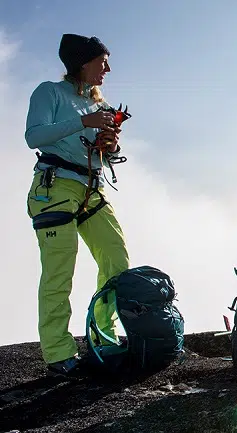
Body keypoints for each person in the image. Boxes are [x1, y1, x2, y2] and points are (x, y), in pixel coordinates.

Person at [24, 33, 130, 376]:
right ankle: (58, 353)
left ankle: (104, 336)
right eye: (102, 62)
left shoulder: (98, 104)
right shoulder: (49, 92)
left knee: (116, 258)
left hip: (92, 188)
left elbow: (100, 151)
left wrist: (109, 145)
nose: (107, 69)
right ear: (82, 63)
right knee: (60, 269)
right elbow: (34, 136)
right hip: (54, 186)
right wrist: (84, 122)